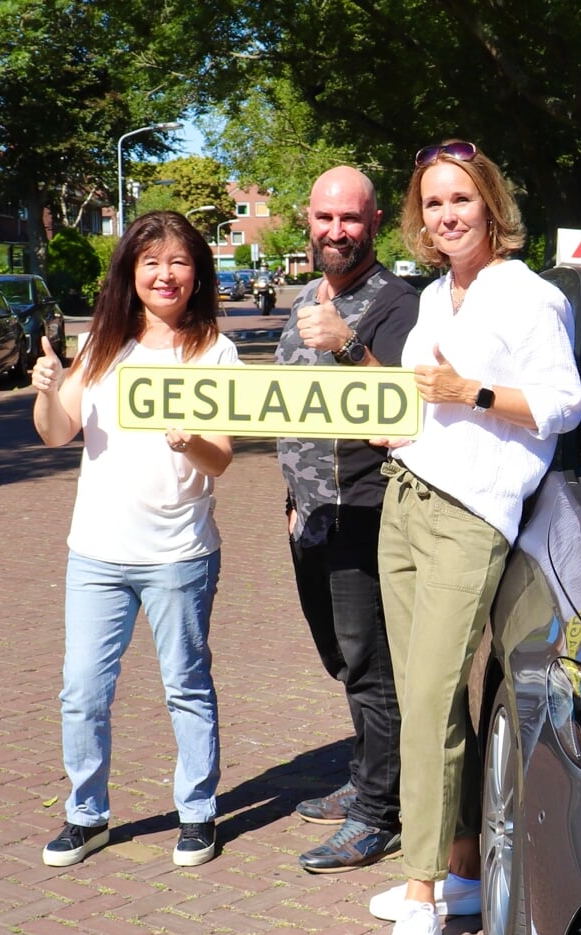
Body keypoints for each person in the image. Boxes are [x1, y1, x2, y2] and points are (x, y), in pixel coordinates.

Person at [371, 141, 581, 935]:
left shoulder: (526, 296)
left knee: (428, 702)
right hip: (405, 499)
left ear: (491, 205)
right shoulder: (434, 294)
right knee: (426, 700)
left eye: (459, 199)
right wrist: (403, 424)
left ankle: (421, 898)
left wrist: (475, 395)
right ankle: (461, 873)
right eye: (431, 203)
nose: (445, 215)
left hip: (468, 519)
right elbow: (423, 398)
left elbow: (563, 404)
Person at [30, 210, 240, 869]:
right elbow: (57, 434)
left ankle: (198, 810)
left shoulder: (213, 351)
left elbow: (221, 459)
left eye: (177, 261)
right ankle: (86, 813)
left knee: (185, 683)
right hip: (96, 551)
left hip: (178, 552)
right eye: (150, 261)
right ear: (130, 271)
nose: (164, 273)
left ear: (197, 272)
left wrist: (191, 438)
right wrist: (43, 391)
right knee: (83, 688)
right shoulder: (101, 346)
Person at [276, 166, 419, 874]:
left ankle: (378, 813)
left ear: (376, 221)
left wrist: (343, 343)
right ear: (308, 218)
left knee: (372, 665)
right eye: (325, 218)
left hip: (364, 514)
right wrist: (292, 500)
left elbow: (400, 408)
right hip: (312, 516)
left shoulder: (396, 306)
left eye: (351, 219)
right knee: (341, 658)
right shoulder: (306, 296)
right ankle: (366, 774)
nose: (336, 231)